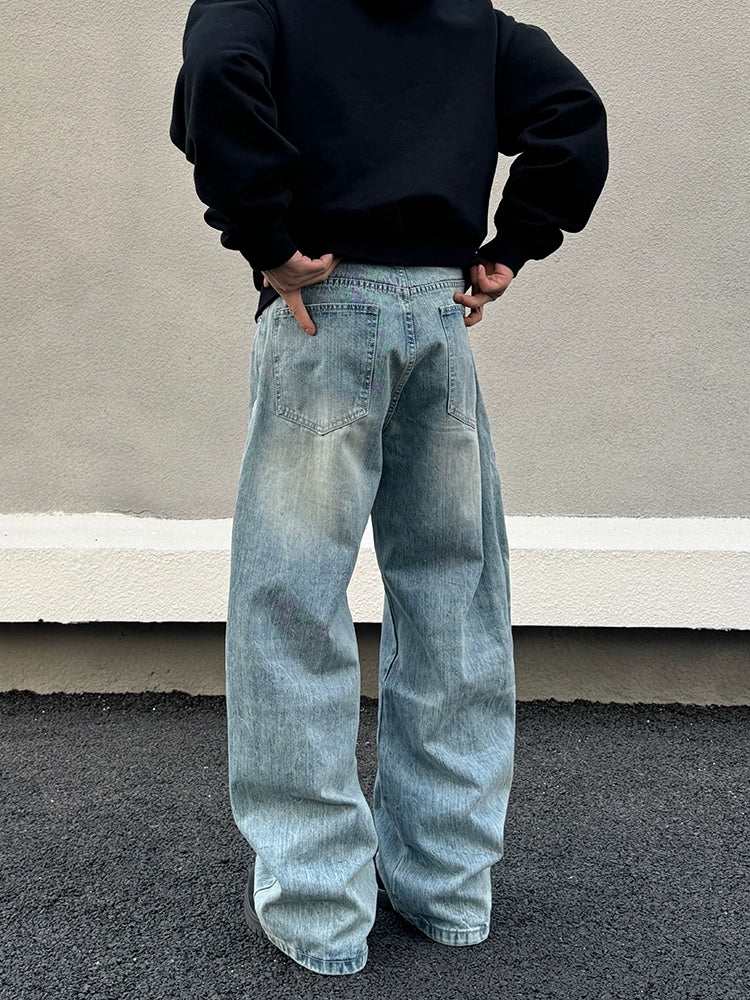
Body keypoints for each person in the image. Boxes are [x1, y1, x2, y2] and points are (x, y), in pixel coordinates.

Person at [171, 0, 607, 976]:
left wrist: (267, 237)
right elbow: (573, 117)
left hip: (322, 311)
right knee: (455, 599)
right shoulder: (470, 19)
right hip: (438, 316)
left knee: (292, 605)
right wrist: (511, 245)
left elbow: (219, 77)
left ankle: (321, 910)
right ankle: (448, 886)